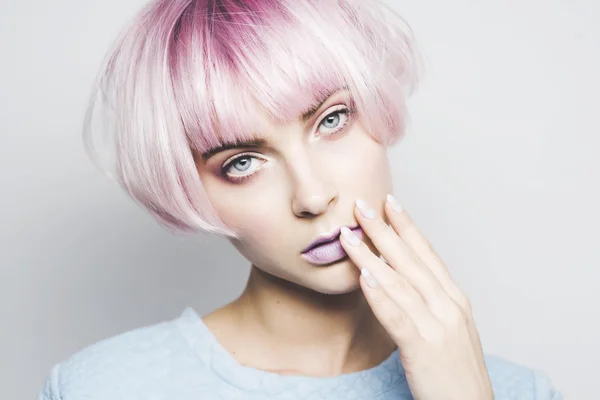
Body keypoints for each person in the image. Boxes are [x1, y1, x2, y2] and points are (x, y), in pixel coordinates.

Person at [38, 0, 562, 399]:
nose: (312, 196)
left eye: (331, 120)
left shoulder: (517, 391)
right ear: (186, 186)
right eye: (242, 162)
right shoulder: (101, 387)